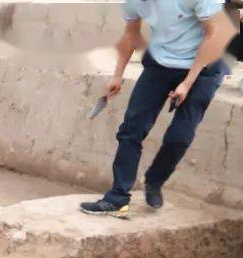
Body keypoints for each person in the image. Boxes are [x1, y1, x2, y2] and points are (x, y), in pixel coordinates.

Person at [80, 0, 237, 218]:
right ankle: (117, 198)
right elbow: (130, 35)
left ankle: (154, 180)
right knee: (130, 131)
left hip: (204, 69)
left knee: (179, 137)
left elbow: (212, 35)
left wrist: (187, 83)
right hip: (160, 63)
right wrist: (117, 75)